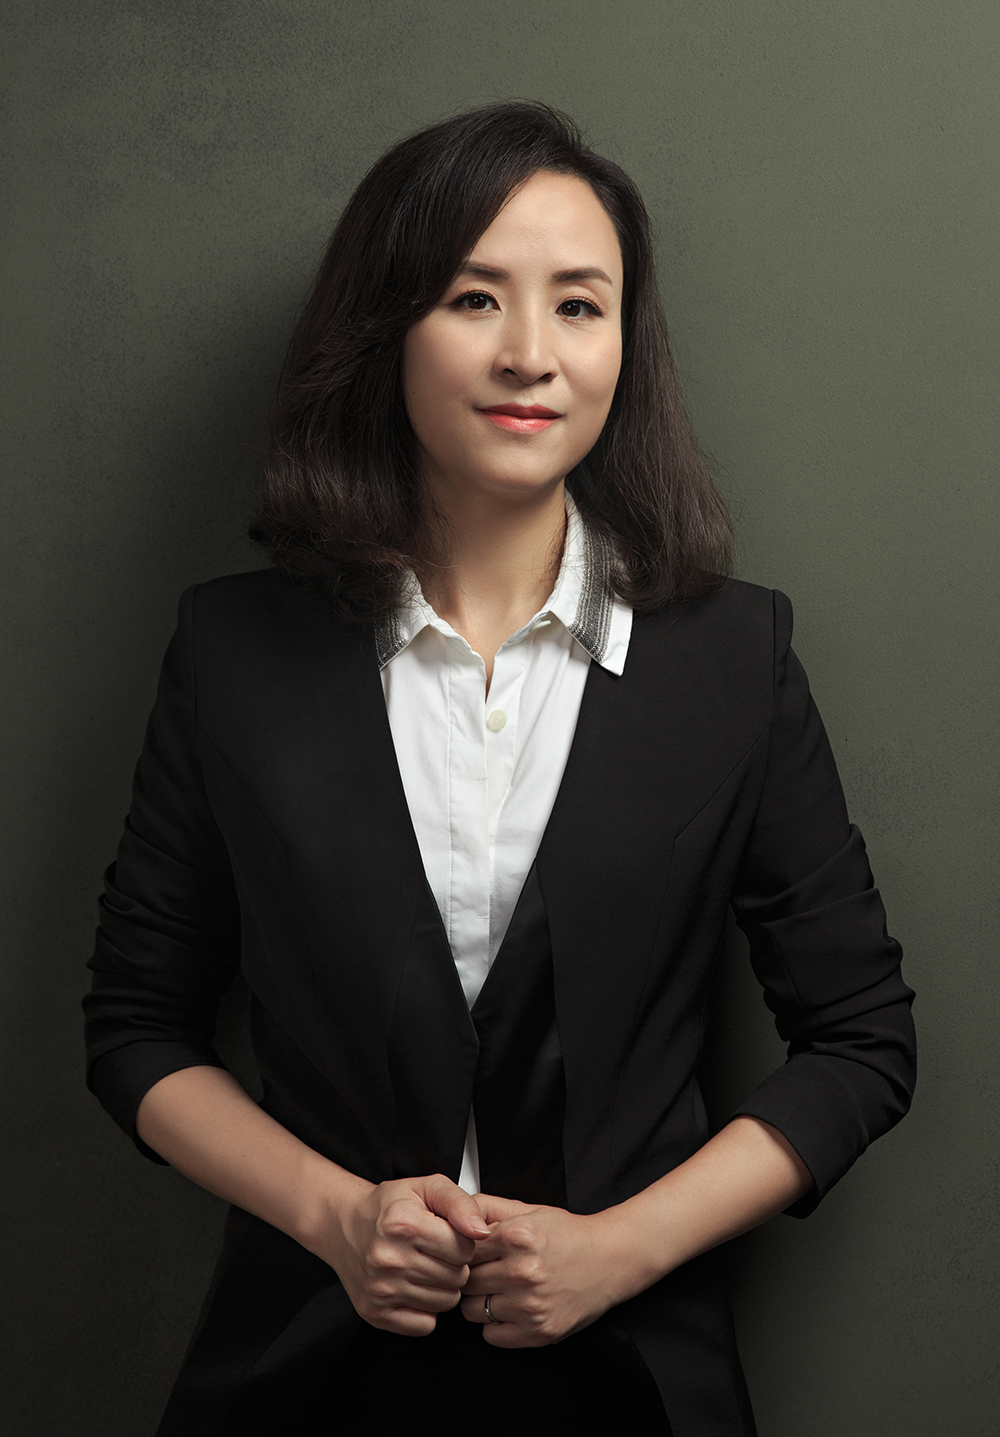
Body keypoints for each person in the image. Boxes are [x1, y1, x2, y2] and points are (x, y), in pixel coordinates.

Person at [83, 102, 916, 1436]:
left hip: (637, 1383)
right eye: (475, 298)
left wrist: (621, 1250)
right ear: (387, 329)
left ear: (624, 346)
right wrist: (337, 1218)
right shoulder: (234, 653)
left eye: (580, 307)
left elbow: (862, 1041)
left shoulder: (734, 659)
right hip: (303, 1374)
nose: (531, 353)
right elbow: (136, 1026)